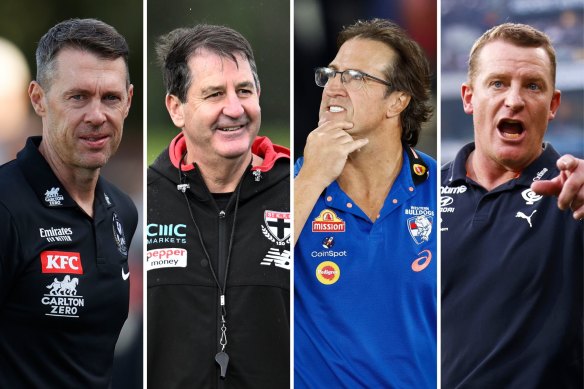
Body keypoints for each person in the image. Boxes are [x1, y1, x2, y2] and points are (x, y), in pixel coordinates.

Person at [294, 19, 437, 388]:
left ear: (398, 100)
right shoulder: (288, 185)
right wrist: (311, 177)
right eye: (332, 74)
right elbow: (247, 280)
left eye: (355, 76)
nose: (333, 89)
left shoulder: (441, 188)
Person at [147, 24, 290, 388]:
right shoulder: (142, 200)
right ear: (176, 108)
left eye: (244, 90)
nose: (234, 108)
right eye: (214, 94)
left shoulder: (302, 190)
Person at [441, 23, 584, 388]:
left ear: (553, 105)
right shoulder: (420, 194)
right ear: (469, 97)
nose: (515, 100)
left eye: (533, 86)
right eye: (498, 83)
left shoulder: (573, 194)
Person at [0, 18, 137, 388]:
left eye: (111, 98)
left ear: (128, 102)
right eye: (77, 97)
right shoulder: (6, 208)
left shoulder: (122, 211)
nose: (97, 116)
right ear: (38, 99)